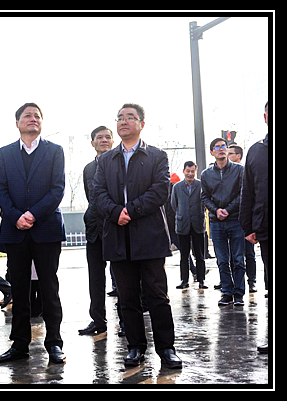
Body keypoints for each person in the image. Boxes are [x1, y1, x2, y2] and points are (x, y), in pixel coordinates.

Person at [93, 103, 182, 369]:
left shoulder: (156, 156)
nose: (123, 121)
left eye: (130, 117)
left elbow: (160, 191)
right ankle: (135, 347)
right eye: (120, 117)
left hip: (149, 237)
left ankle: (166, 348)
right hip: (117, 236)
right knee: (127, 297)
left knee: (157, 296)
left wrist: (130, 210)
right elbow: (97, 193)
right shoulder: (106, 160)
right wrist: (115, 212)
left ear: (142, 123)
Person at [0, 103, 67, 364]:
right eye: (27, 115)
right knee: (19, 289)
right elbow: (1, 190)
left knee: (49, 289)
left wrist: (33, 215)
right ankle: (19, 344)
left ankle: (54, 343)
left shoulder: (54, 151)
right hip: (16, 231)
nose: (33, 119)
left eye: (37, 116)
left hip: (46, 229)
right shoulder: (4, 153)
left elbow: (57, 189)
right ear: (17, 123)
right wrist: (17, 216)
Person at [200, 138, 245, 306]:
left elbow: (243, 193)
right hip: (216, 221)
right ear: (212, 152)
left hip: (235, 220)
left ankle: (239, 293)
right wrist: (216, 210)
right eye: (217, 147)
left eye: (223, 146)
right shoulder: (206, 174)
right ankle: (227, 292)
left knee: (238, 258)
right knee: (222, 259)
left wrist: (228, 210)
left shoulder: (239, 170)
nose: (221, 149)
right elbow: (204, 196)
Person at [79, 126, 115, 336]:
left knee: (123, 279)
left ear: (113, 141)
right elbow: (90, 197)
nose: (104, 140)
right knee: (95, 278)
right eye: (99, 137)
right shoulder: (88, 169)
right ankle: (98, 321)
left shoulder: (120, 164)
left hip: (117, 227)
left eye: (107, 137)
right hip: (94, 228)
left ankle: (126, 321)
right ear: (92, 142)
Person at [240, 101, 269, 353]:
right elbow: (248, 190)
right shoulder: (256, 151)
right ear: (266, 117)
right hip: (267, 227)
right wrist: (247, 225)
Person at [170, 161, 208, 289]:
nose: (190, 174)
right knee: (184, 255)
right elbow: (174, 204)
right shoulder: (177, 187)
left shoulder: (201, 185)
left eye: (192, 171)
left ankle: (202, 280)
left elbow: (205, 202)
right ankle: (184, 280)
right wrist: (182, 214)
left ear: (195, 171)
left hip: (198, 223)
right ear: (183, 171)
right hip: (183, 224)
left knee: (200, 255)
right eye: (188, 171)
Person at [228, 144, 257, 292]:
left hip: (245, 220)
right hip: (232, 218)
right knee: (233, 254)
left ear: (238, 156)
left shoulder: (245, 172)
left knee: (248, 253)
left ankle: (252, 281)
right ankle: (234, 281)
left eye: (231, 154)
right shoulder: (227, 173)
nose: (228, 156)